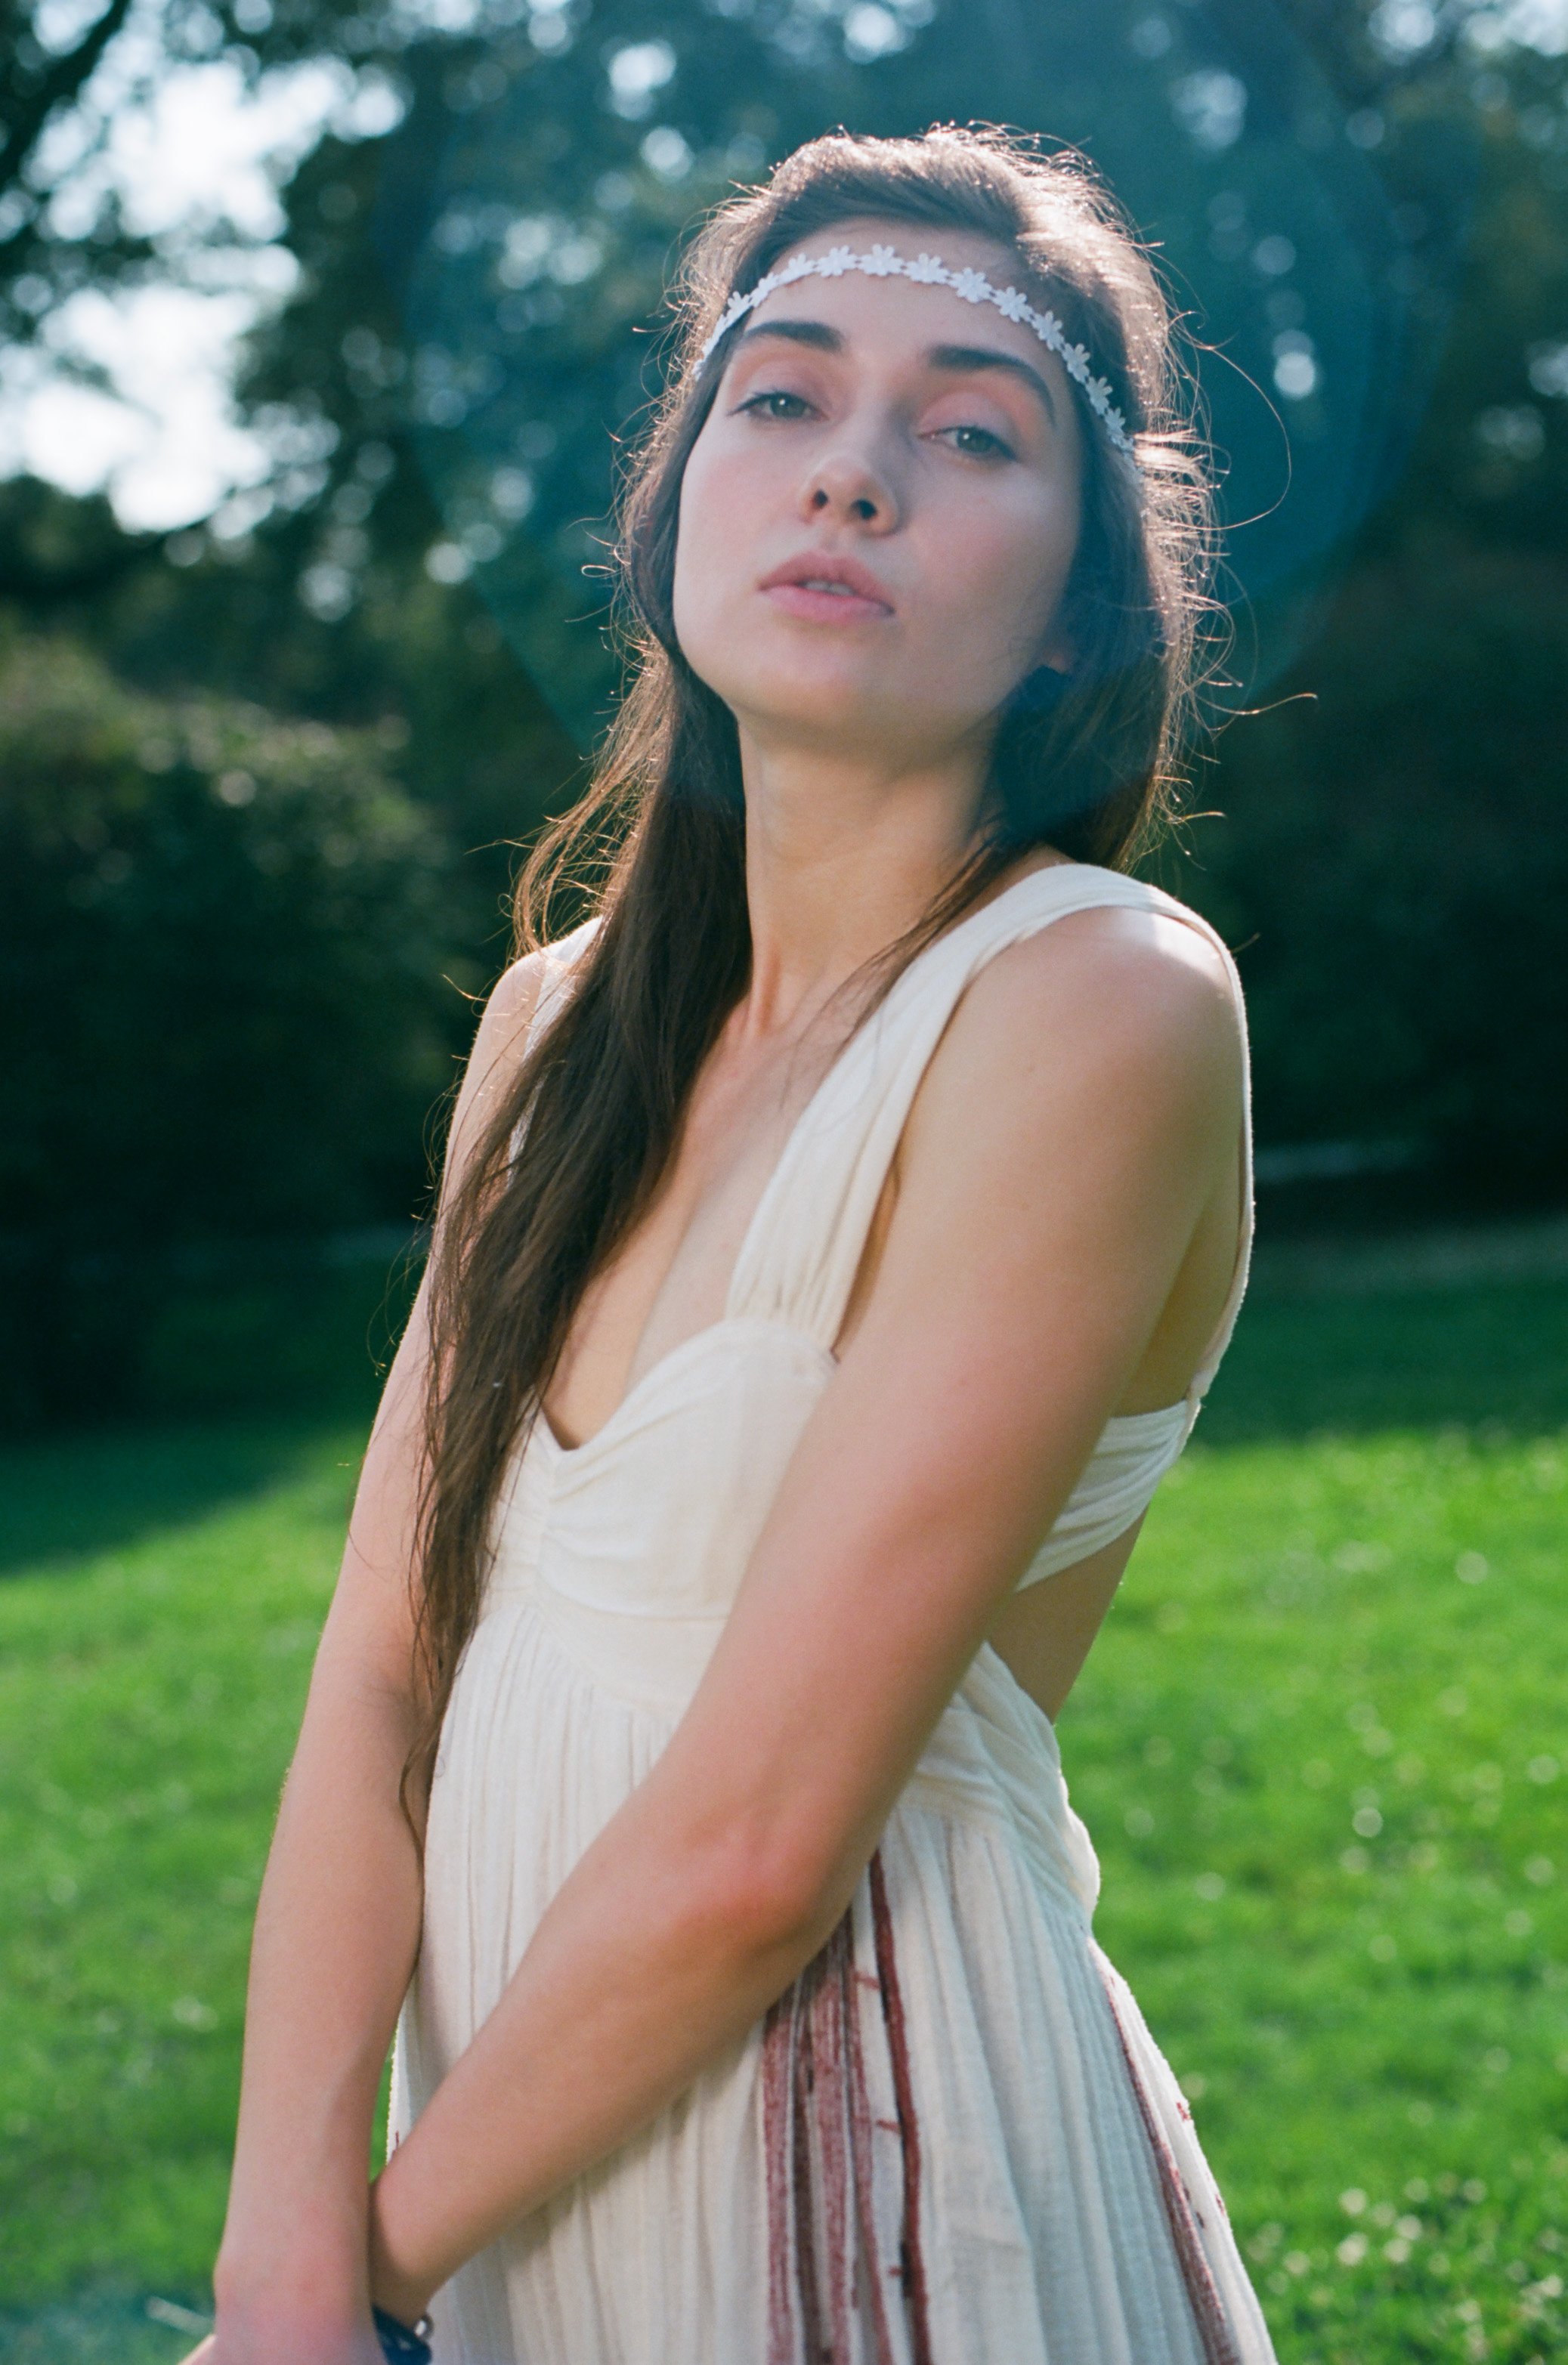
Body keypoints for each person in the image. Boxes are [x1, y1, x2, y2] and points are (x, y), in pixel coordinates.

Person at [196, 125, 1279, 2365]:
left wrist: (354, 2283)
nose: (848, 474)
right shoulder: (547, 1028)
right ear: (673, 495)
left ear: (1083, 596)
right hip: (484, 2188)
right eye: (778, 397)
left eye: (963, 433)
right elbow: (381, 1674)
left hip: (872, 2185)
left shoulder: (1093, 1001)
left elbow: (759, 1838)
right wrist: (281, 2257)